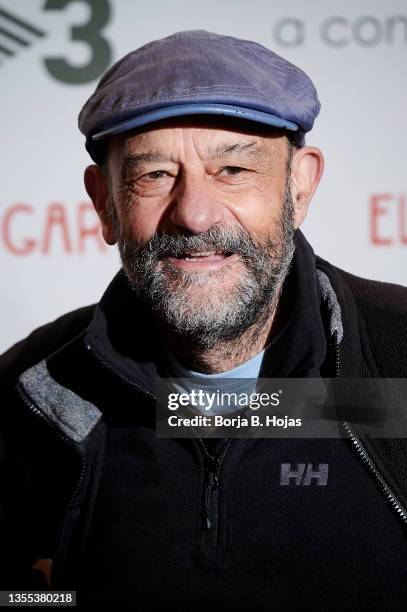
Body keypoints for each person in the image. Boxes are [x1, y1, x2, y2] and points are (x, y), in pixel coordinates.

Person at [1, 29, 407, 611]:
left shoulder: (400, 356)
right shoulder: (33, 391)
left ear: (301, 183)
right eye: (154, 175)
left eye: (233, 170)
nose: (193, 214)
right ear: (104, 203)